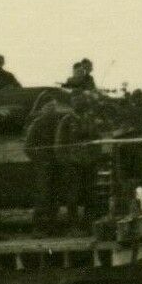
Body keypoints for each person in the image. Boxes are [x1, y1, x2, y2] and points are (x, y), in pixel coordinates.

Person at [56, 92, 100, 234]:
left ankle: (89, 224)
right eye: (75, 101)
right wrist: (65, 161)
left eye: (80, 100)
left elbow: (97, 139)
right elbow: (59, 143)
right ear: (72, 103)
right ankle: (73, 226)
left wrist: (96, 156)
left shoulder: (90, 118)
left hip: (89, 162)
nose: (79, 103)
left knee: (90, 194)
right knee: (73, 195)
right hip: (73, 163)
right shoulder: (67, 120)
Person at [25, 100, 62, 236]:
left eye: (54, 107)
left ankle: (53, 226)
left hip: (56, 164)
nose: (52, 110)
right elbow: (28, 147)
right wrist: (40, 160)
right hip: (43, 165)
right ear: (43, 109)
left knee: (55, 196)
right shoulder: (37, 124)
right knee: (43, 196)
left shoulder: (58, 123)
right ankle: (38, 228)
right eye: (49, 107)